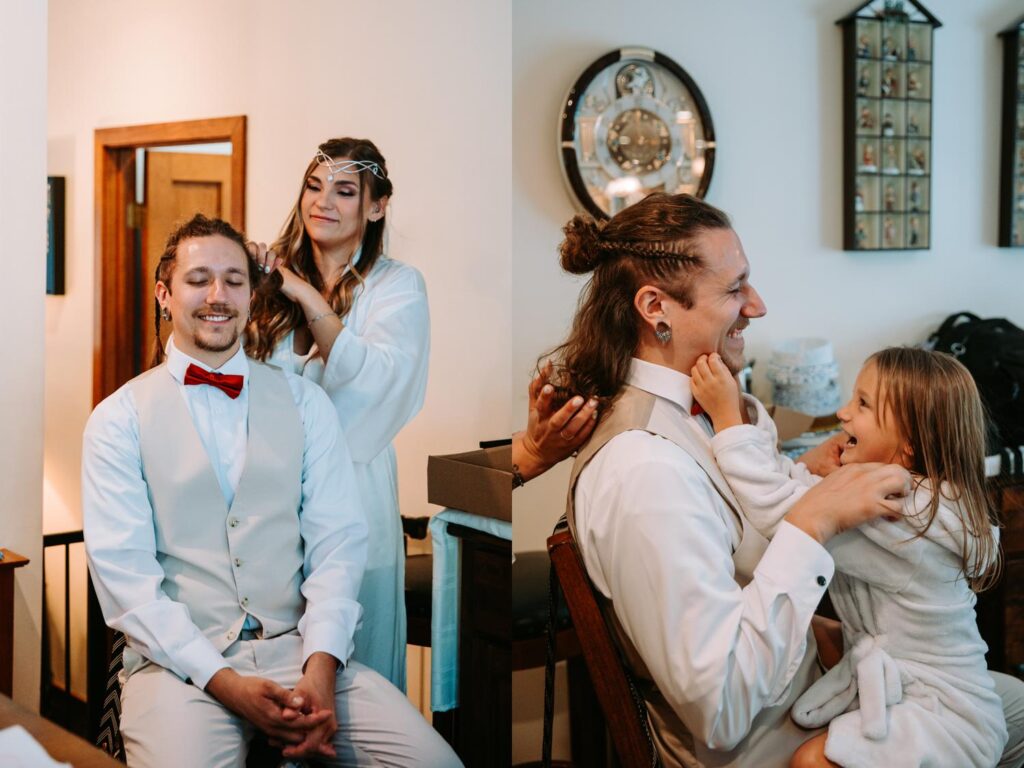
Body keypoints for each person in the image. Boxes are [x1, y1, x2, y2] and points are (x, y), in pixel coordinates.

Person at [541, 192, 1024, 767]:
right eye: (734, 289)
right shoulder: (645, 472)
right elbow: (719, 709)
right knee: (993, 720)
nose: (758, 305)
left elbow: (741, 543)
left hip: (812, 684)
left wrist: (808, 479)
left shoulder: (699, 414)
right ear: (656, 307)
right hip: (766, 743)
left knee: (1010, 705)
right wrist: (813, 522)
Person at [83, 214, 459, 767]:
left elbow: (337, 547)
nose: (218, 295)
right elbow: (129, 586)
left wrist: (321, 669)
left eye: (234, 280)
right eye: (198, 280)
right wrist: (225, 682)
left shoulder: (307, 404)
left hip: (301, 652)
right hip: (179, 667)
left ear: (252, 293)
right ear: (164, 295)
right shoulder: (117, 420)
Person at [690, 347, 1007, 767]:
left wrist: (729, 421)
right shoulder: (909, 494)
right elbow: (804, 492)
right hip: (917, 694)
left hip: (945, 714)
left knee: (810, 761)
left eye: (863, 404)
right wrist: (800, 461)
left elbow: (780, 508)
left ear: (908, 446)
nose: (842, 413)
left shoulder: (898, 513)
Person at [247, 138, 429, 689]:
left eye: (344, 191)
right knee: (275, 663)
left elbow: (374, 380)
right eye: (314, 185)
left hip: (354, 490)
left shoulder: (397, 286)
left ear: (376, 207)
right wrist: (234, 277)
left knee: (354, 666)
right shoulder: (266, 281)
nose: (323, 201)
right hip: (271, 496)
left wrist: (304, 293)